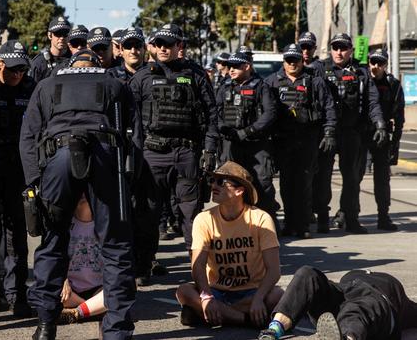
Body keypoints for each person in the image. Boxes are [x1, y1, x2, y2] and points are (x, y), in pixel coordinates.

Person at [19, 49, 142, 340]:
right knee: (115, 247)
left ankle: (46, 325)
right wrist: (128, 180)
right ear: (96, 65)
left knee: (52, 243)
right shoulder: (114, 83)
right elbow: (136, 136)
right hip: (104, 156)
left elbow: (27, 136)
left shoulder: (47, 83)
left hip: (58, 158)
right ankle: (117, 331)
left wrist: (34, 182)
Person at [129, 23, 218, 286]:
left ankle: (198, 270)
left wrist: (210, 149)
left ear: (180, 46)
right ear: (153, 47)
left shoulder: (195, 75)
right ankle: (143, 266)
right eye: (159, 44)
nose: (163, 48)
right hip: (152, 153)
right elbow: (129, 119)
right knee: (148, 213)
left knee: (191, 214)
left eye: (169, 44)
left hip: (186, 153)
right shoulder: (141, 77)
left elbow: (212, 114)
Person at [176, 161, 283, 329]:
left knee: (277, 295)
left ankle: (212, 314)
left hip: (251, 292)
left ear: (240, 190)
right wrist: (206, 297)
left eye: (221, 182)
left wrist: (258, 299)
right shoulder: (204, 219)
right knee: (183, 291)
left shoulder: (261, 219)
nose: (214, 185)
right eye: (213, 181)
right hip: (216, 291)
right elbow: (198, 266)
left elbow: (274, 270)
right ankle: (245, 320)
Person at [0, 40, 35, 318]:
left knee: (18, 233)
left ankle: (17, 293)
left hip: (20, 171)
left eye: (22, 70)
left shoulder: (31, 87)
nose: (17, 75)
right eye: (12, 69)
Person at [265, 44, 336, 238]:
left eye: (296, 60)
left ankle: (303, 224)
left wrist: (329, 132)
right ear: (284, 62)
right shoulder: (272, 82)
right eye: (289, 60)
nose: (292, 63)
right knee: (287, 185)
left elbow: (328, 108)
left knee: (305, 183)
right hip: (283, 142)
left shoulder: (315, 82)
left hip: (307, 140)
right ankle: (289, 223)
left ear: (302, 60)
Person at [320, 33, 387, 234]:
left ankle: (351, 218)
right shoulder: (319, 69)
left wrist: (380, 124)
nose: (339, 52)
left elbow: (372, 102)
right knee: (322, 177)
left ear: (351, 50)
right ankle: (322, 218)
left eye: (343, 48)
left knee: (351, 178)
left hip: (351, 132)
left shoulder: (361, 72)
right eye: (336, 47)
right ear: (331, 49)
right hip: (327, 133)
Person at [258, 266, 417, 340]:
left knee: (356, 310)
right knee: (307, 274)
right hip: (342, 292)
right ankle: (274, 329)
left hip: (379, 299)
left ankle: (346, 337)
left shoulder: (400, 303)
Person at [217, 51, 280, 227]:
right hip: (231, 143)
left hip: (256, 144)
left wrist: (248, 131)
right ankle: (234, 224)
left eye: (236, 66)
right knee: (230, 184)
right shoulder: (225, 87)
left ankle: (267, 225)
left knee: (263, 184)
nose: (231, 69)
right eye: (230, 66)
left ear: (247, 66)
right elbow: (215, 111)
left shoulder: (261, 86)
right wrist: (223, 128)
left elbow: (269, 114)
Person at [367, 48, 405, 231]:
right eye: (373, 62)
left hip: (383, 138)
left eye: (380, 63)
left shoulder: (393, 85)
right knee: (353, 176)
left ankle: (384, 215)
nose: (376, 66)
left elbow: (399, 116)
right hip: (362, 135)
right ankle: (347, 213)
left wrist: (395, 143)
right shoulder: (363, 81)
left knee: (382, 179)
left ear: (386, 65)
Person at [58, 195, 106, 325]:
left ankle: (77, 312)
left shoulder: (104, 223)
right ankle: (94, 309)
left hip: (98, 288)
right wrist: (63, 280)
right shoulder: (64, 224)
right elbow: (53, 259)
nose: (82, 195)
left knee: (124, 287)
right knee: (48, 290)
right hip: (70, 291)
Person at [29, 16, 71, 83]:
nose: (62, 38)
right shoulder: (39, 63)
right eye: (58, 33)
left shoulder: (74, 60)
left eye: (65, 34)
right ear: (50, 35)